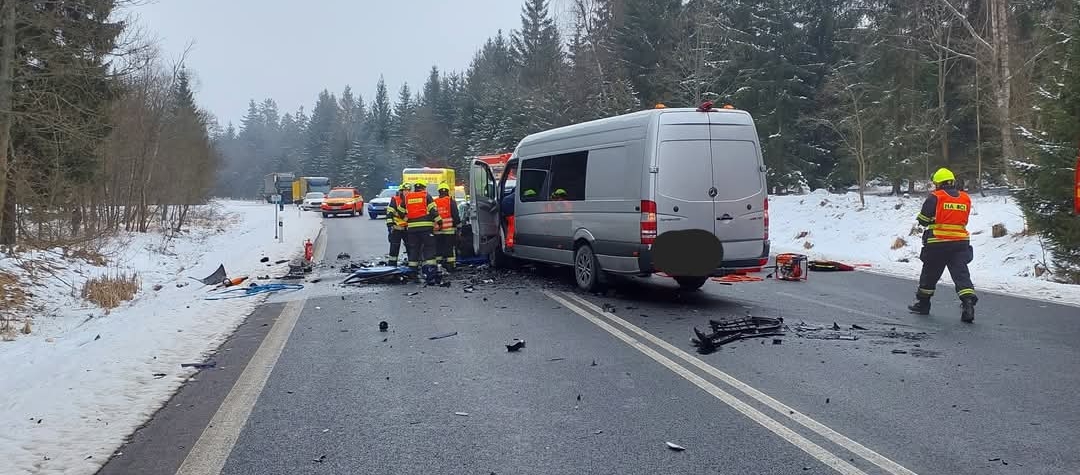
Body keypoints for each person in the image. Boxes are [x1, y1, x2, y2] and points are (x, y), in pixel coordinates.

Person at [908, 167, 977, 323]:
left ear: (938, 183)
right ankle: (968, 303)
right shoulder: (965, 198)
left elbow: (923, 220)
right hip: (960, 243)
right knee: (961, 274)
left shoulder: (935, 197)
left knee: (930, 274)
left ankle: (923, 304)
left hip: (937, 243)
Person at [404, 182, 443, 284]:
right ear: (423, 188)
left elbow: (400, 211)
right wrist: (439, 222)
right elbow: (433, 211)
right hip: (426, 228)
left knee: (414, 250)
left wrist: (408, 218)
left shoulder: (408, 197)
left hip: (412, 229)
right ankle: (430, 273)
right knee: (429, 248)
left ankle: (413, 273)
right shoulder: (426, 196)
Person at [434, 183, 461, 272]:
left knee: (438, 248)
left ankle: (439, 265)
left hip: (437, 230)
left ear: (439, 192)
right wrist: (458, 225)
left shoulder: (435, 202)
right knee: (449, 248)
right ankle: (450, 266)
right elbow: (455, 214)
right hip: (449, 230)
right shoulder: (450, 201)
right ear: (447, 192)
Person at [385, 183, 410, 266]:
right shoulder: (395, 200)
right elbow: (389, 214)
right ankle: (392, 264)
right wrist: (390, 226)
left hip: (408, 228)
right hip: (397, 228)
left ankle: (412, 264)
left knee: (411, 247)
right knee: (394, 247)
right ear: (401, 191)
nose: (407, 192)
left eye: (408, 190)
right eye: (405, 190)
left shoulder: (411, 200)